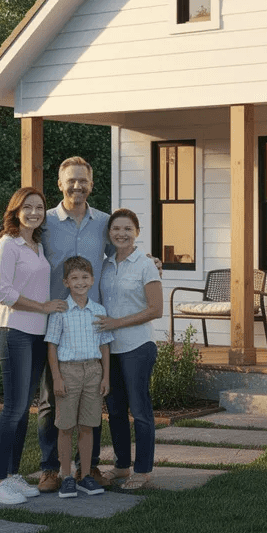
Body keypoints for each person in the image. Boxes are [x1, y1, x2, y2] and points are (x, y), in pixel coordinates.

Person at [0, 187, 67, 505]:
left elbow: (8, 286)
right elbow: (3, 293)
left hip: (36, 334)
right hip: (13, 331)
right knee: (12, 409)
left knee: (22, 412)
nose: (34, 212)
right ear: (16, 210)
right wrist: (45, 308)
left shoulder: (36, 245)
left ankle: (11, 475)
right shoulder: (7, 245)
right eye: (28, 207)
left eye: (39, 207)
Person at [35, 156, 110, 493]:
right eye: (71, 181)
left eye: (83, 181)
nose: (77, 186)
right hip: (54, 323)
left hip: (92, 324)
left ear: (91, 185)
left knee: (92, 400)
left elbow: (123, 250)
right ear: (60, 184)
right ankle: (51, 469)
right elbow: (19, 251)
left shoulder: (104, 223)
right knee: (53, 399)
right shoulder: (43, 221)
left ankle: (88, 468)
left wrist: (151, 262)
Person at [95, 208, 164, 491]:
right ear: (109, 234)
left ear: (137, 232)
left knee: (140, 410)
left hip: (138, 345)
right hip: (110, 349)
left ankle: (143, 469)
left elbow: (156, 309)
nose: (121, 233)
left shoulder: (145, 265)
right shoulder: (106, 264)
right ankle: (122, 466)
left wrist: (117, 322)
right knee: (115, 410)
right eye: (116, 229)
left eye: (127, 229)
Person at [44, 256, 113, 499]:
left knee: (88, 425)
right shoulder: (62, 311)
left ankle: (84, 476)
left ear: (92, 280)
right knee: (65, 426)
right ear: (66, 281)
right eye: (74, 278)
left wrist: (105, 377)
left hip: (93, 372)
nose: (80, 282)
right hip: (68, 371)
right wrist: (57, 378)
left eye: (85, 277)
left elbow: (105, 346)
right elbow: (51, 346)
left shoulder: (99, 311)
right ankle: (66, 477)